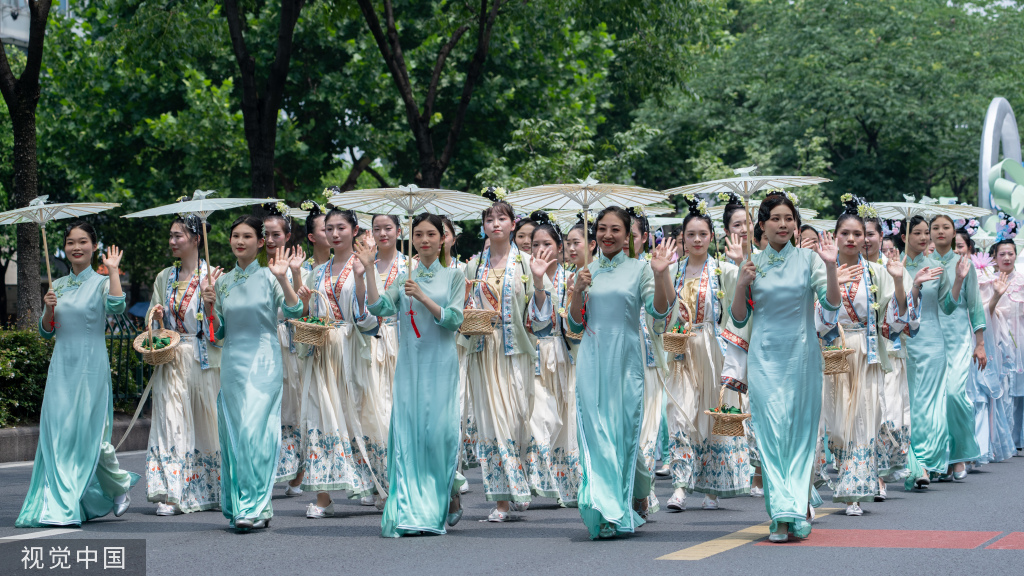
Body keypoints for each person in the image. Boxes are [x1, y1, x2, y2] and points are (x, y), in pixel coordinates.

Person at [729, 191, 851, 542]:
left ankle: (792, 511)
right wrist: (741, 281)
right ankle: (781, 512)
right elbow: (739, 317)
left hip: (802, 357)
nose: (783, 224)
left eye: (789, 219)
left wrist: (830, 266)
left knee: (799, 438)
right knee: (770, 436)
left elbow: (830, 306)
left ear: (796, 224)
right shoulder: (751, 263)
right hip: (764, 359)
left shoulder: (809, 260)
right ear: (763, 226)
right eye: (776, 219)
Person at [16, 222, 139, 527]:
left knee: (92, 438)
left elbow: (117, 306)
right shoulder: (56, 285)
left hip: (91, 367)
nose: (76, 247)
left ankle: (118, 484)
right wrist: (47, 309)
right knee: (57, 436)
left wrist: (112, 271)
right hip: (62, 368)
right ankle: (61, 505)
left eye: (83, 242)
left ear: (94, 246)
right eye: (70, 242)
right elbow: (47, 333)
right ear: (65, 248)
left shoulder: (100, 282)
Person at [567, 206, 676, 539]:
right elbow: (573, 324)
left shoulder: (640, 269)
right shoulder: (586, 271)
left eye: (616, 229)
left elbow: (659, 314)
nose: (607, 235)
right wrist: (576, 290)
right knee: (596, 437)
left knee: (621, 435)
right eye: (601, 228)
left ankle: (635, 490)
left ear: (628, 235)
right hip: (591, 359)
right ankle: (607, 510)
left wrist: (660, 274)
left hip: (627, 361)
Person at [358, 213, 468, 537]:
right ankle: (412, 510)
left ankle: (448, 491)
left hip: (441, 364)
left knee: (439, 435)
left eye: (431, 234)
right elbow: (378, 309)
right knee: (409, 435)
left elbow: (454, 319)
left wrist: (423, 297)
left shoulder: (455, 277)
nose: (424, 240)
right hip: (409, 365)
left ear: (442, 238)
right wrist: (367, 270)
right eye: (418, 234)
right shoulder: (403, 276)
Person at [814, 197, 924, 516]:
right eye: (845, 233)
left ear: (866, 238)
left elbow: (899, 321)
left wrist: (900, 281)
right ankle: (844, 469)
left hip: (868, 352)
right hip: (834, 352)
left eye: (857, 234)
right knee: (836, 426)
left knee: (863, 420)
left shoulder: (879, 273)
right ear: (835, 236)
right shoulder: (823, 269)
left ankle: (855, 490)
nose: (851, 239)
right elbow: (817, 319)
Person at [206, 216, 303, 532]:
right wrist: (208, 306)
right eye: (235, 236)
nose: (239, 241)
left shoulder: (271, 275)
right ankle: (246, 505)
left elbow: (294, 312)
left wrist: (284, 279)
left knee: (255, 433)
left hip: (265, 363)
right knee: (238, 438)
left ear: (261, 242)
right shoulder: (221, 282)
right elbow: (216, 333)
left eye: (247, 236)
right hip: (233, 364)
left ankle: (256, 506)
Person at [664, 195, 750, 513]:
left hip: (713, 349)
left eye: (702, 234)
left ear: (711, 237)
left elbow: (741, 309)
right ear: (682, 239)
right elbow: (659, 312)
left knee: (711, 418)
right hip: (679, 353)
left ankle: (712, 487)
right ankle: (679, 485)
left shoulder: (723, 271)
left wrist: (743, 264)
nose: (697, 239)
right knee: (679, 416)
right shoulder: (671, 271)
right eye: (691, 234)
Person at [296, 209, 383, 518]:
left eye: (341, 227)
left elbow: (370, 318)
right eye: (328, 228)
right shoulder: (316, 272)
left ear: (354, 229)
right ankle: (324, 496)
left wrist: (361, 279)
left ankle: (377, 484)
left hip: (351, 349)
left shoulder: (365, 265)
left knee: (360, 417)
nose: (334, 234)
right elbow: (305, 313)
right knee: (320, 417)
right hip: (322, 352)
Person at [462, 188, 537, 521]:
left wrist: (540, 281)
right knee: (492, 422)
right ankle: (503, 499)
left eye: (501, 218)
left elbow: (539, 312)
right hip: (483, 349)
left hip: (515, 352)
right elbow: (462, 308)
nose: (495, 223)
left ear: (512, 223)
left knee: (519, 418)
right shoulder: (473, 265)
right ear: (483, 226)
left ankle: (519, 480)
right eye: (489, 218)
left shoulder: (525, 263)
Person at [145, 213, 222, 516]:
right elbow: (152, 320)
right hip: (171, 357)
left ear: (196, 239)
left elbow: (220, 327)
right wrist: (157, 318)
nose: (173, 241)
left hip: (203, 357)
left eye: (178, 235)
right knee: (169, 421)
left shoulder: (213, 275)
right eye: (171, 235)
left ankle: (208, 488)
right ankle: (172, 490)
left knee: (206, 424)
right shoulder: (165, 276)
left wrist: (211, 303)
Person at [899, 215, 962, 490]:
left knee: (930, 407)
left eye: (927, 233)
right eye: (917, 233)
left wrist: (958, 280)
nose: (924, 238)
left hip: (934, 342)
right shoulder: (893, 268)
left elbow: (948, 307)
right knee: (905, 406)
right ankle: (911, 463)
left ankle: (922, 463)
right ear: (904, 237)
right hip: (901, 344)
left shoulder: (938, 268)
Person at [526, 211, 582, 506]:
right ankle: (531, 480)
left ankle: (567, 485)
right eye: (535, 244)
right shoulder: (524, 278)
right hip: (533, 354)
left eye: (547, 243)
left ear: (560, 248)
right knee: (539, 418)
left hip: (563, 355)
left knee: (565, 420)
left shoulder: (571, 278)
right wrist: (536, 282)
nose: (540, 250)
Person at [930, 214, 984, 479]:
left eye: (946, 227)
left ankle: (961, 453)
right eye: (935, 228)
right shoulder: (924, 264)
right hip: (929, 338)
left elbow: (974, 305)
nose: (940, 232)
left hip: (959, 338)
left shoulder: (965, 264)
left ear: (954, 233)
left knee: (953, 394)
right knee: (935, 401)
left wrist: (980, 343)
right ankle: (942, 457)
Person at [262, 203, 309, 494]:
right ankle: (272, 467)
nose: (269, 240)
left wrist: (297, 275)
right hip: (263, 341)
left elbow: (303, 309)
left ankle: (299, 468)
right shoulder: (254, 268)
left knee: (292, 405)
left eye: (275, 234)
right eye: (265, 234)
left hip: (289, 341)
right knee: (269, 407)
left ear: (288, 235)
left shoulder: (297, 264)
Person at [979, 237, 1021, 461]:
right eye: (1002, 254)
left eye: (1010, 253)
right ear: (994, 258)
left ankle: (1018, 437)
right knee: (1003, 386)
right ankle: (1003, 439)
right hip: (997, 335)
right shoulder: (986, 280)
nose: (1006, 258)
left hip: (1019, 337)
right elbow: (986, 310)